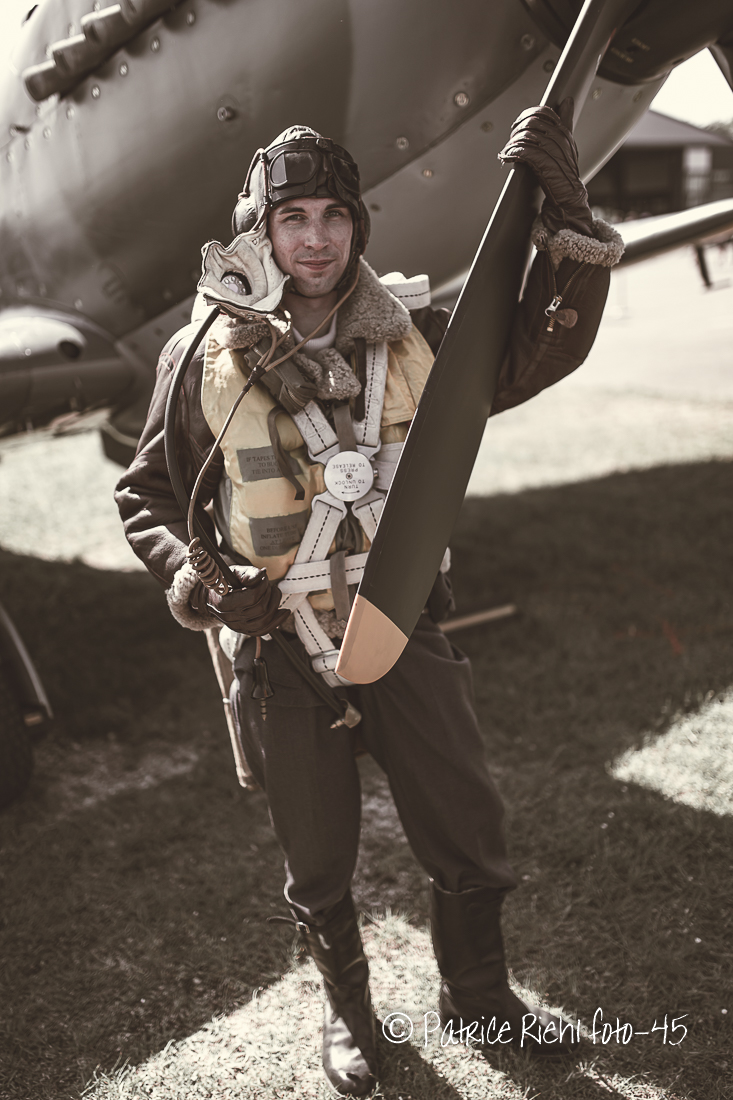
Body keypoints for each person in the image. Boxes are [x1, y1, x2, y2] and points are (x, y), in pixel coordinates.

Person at [116, 105, 623, 1096]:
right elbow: (147, 497)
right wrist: (204, 577)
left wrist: (567, 225)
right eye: (293, 218)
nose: (315, 238)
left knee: (468, 825)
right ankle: (348, 1014)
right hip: (279, 648)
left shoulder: (421, 331)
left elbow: (536, 348)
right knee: (317, 860)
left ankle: (478, 995)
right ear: (260, 231)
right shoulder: (199, 353)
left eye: (334, 216)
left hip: (399, 624)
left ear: (357, 224)